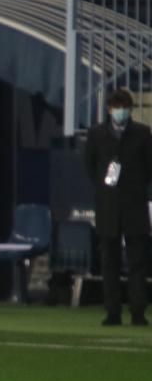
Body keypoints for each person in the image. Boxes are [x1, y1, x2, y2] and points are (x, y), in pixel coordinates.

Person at [84, 88, 151, 327]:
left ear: (130, 110)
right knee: (109, 263)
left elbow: (149, 168)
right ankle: (112, 312)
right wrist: (106, 189)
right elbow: (90, 167)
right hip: (108, 206)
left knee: (137, 263)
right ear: (109, 109)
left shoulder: (143, 134)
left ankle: (138, 312)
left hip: (134, 205)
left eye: (124, 107)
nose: (120, 112)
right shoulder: (97, 134)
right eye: (116, 107)